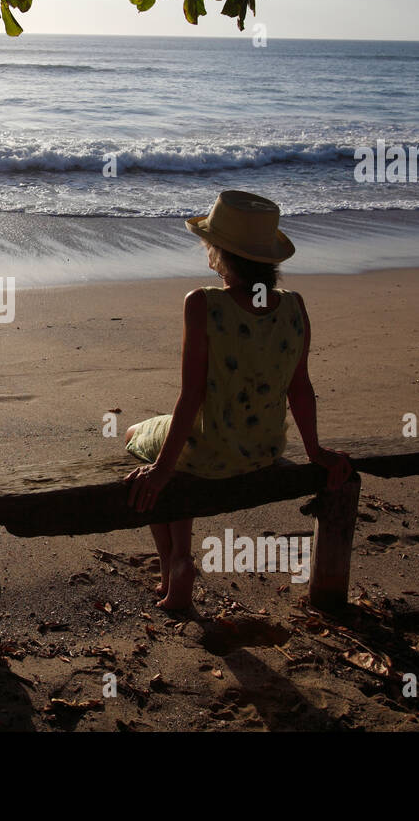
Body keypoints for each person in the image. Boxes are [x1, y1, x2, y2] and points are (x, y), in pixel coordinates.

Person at [123, 190, 352, 613]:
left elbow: (190, 396)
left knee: (139, 435)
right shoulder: (294, 306)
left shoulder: (203, 304)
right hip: (263, 450)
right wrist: (315, 450)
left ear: (218, 254)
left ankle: (175, 560)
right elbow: (300, 387)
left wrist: (161, 470)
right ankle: (176, 561)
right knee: (173, 442)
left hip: (211, 454)